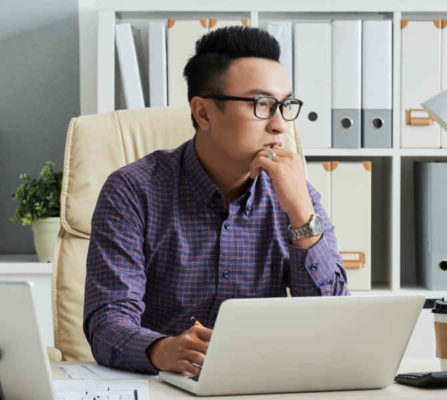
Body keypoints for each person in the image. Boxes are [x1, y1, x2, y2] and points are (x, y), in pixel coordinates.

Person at [83, 25, 349, 376]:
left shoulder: (296, 194)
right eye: (261, 104)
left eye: (285, 106)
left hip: (261, 383)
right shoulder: (132, 191)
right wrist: (163, 350)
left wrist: (301, 213)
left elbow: (332, 326)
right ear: (203, 113)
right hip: (163, 384)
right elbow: (106, 320)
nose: (280, 125)